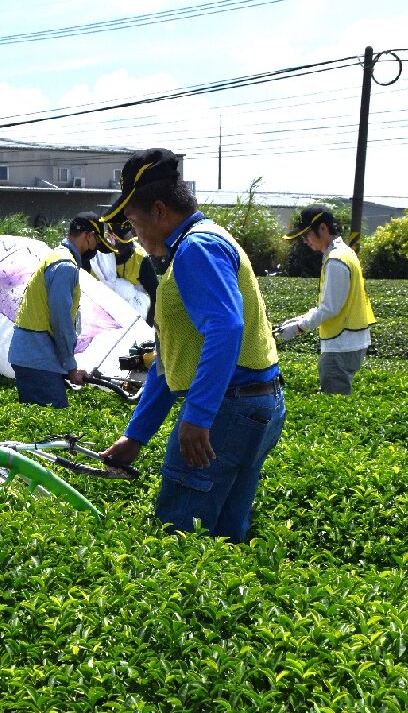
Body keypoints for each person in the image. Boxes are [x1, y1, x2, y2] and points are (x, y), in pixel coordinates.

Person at [99, 149, 285, 543]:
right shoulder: (202, 241)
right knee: (224, 537)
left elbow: (225, 328)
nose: (135, 236)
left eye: (133, 222)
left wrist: (198, 417)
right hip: (253, 403)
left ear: (160, 211)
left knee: (179, 536)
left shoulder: (195, 248)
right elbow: (173, 361)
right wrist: (137, 436)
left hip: (229, 409)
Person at [277, 205, 376, 395]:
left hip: (341, 344)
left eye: (307, 235)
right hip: (350, 340)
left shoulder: (336, 260)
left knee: (334, 401)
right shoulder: (344, 253)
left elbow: (330, 308)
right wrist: (298, 319)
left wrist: (299, 327)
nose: (305, 241)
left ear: (323, 228)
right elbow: (331, 303)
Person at [7, 212, 101, 408]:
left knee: (38, 423)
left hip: (33, 355)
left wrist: (68, 367)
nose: (96, 247)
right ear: (88, 236)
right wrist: (70, 365)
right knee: (55, 423)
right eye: (97, 241)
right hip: (37, 357)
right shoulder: (65, 266)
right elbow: (61, 320)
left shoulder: (56, 256)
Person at [94, 211, 159, 326]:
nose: (127, 247)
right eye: (122, 243)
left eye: (128, 242)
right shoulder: (98, 256)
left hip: (136, 315)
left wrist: (147, 327)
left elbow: (155, 295)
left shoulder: (140, 258)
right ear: (109, 236)